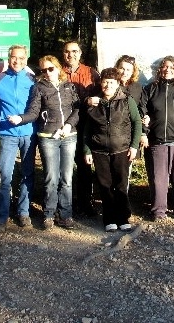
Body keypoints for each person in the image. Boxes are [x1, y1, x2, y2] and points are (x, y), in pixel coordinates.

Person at [10, 55, 80, 230]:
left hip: (69, 136)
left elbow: (77, 109)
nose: (47, 73)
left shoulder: (69, 86)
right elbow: (34, 112)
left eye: (51, 68)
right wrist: (21, 118)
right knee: (51, 177)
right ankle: (49, 213)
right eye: (43, 70)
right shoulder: (38, 88)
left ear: (58, 68)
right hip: (48, 137)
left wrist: (69, 125)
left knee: (67, 178)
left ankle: (65, 214)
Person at [83, 68, 142, 232]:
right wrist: (87, 150)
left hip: (122, 149)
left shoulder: (126, 100)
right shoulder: (94, 103)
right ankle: (109, 218)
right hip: (99, 151)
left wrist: (134, 145)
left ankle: (123, 217)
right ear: (101, 83)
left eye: (111, 82)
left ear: (117, 84)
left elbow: (137, 123)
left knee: (121, 185)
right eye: (105, 81)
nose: (108, 85)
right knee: (105, 185)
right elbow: (88, 129)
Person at [140, 55, 174, 222]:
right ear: (159, 69)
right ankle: (158, 211)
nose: (167, 70)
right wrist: (144, 130)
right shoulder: (150, 88)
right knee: (158, 179)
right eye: (164, 67)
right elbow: (142, 111)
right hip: (157, 141)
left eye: (171, 67)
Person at [0, 44, 37, 231]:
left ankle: (24, 212)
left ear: (26, 60)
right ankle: (1, 215)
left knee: (28, 174)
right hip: (7, 134)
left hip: (29, 133)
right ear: (8, 57)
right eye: (14, 57)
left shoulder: (33, 80)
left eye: (21, 58)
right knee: (4, 175)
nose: (17, 61)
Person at [62, 40, 100, 217]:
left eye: (75, 51)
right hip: (63, 125)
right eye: (68, 52)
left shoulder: (91, 72)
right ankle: (65, 203)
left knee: (85, 164)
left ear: (80, 53)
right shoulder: (58, 71)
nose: (71, 55)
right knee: (64, 166)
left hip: (86, 124)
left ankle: (85, 202)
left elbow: (101, 93)